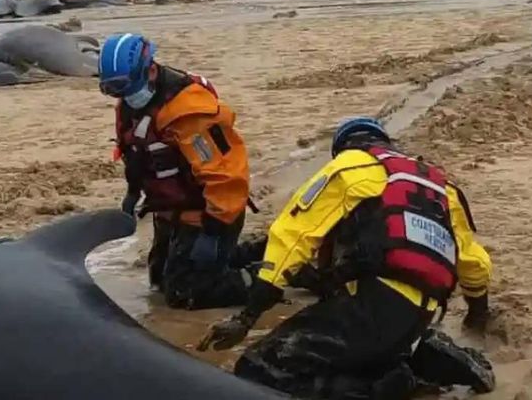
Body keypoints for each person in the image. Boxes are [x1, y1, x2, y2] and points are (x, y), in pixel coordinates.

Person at [199, 117, 495, 400]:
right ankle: (415, 353)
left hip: (372, 303)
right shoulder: (442, 188)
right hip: (421, 312)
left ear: (342, 148)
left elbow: (292, 235)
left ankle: (399, 381)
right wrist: (477, 315)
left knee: (260, 369)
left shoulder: (347, 167)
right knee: (356, 353)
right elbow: (475, 264)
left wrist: (247, 317)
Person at [99, 33, 254, 310]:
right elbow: (135, 154)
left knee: (186, 293)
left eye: (124, 87)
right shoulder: (129, 105)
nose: (121, 95)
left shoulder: (188, 113)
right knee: (159, 281)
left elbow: (225, 174)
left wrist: (214, 229)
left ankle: (264, 278)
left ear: (152, 70)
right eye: (112, 89)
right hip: (170, 210)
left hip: (209, 212)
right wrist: (133, 193)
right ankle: (240, 256)